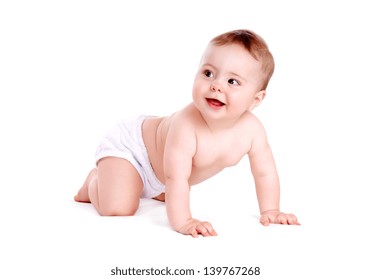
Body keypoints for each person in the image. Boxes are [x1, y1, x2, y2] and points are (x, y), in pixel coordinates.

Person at [74, 29, 300, 238]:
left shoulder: (253, 131)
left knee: (167, 193)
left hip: (162, 174)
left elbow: (265, 174)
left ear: (256, 99)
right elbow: (177, 179)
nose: (216, 85)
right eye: (209, 73)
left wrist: (271, 210)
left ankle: (141, 186)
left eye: (232, 81)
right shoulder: (186, 125)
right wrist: (183, 222)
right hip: (133, 150)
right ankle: (95, 180)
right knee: (119, 208)